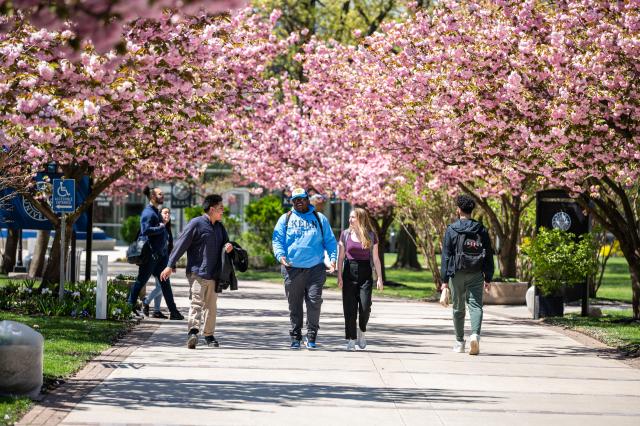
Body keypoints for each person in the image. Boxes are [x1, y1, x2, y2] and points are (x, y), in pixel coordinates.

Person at [161, 194, 233, 349]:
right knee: (196, 303)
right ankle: (193, 332)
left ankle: (209, 335)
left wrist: (228, 246)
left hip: (214, 274)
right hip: (197, 272)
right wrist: (169, 264)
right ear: (212, 209)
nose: (223, 211)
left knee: (211, 306)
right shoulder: (196, 224)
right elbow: (181, 243)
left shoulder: (220, 227)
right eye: (221, 208)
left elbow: (226, 242)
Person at [272, 187, 337, 350]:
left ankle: (312, 335)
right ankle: (295, 337)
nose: (298, 202)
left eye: (301, 199)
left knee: (314, 302)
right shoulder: (285, 219)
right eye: (295, 200)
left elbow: (329, 241)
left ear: (307, 199)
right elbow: (277, 240)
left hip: (316, 268)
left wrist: (333, 258)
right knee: (294, 305)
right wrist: (280, 256)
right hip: (292, 268)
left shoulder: (319, 218)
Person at [440, 194, 494, 355]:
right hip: (477, 272)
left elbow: (446, 256)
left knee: (458, 308)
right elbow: (489, 254)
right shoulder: (481, 229)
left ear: (458, 210)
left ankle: (459, 342)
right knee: (476, 306)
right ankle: (475, 335)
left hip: (456, 273)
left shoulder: (452, 229)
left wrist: (444, 280)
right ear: (472, 210)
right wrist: (488, 277)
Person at [127, 187, 184, 320]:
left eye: (162, 194)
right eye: (160, 194)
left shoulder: (155, 211)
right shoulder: (148, 213)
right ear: (152, 196)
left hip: (160, 256)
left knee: (165, 283)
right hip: (151, 256)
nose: (162, 196)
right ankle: (128, 307)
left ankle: (174, 312)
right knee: (141, 281)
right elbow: (145, 230)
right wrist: (160, 228)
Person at [337, 208, 384, 350]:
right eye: (350, 217)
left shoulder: (371, 235)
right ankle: (351, 338)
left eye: (353, 217)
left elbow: (376, 258)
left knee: (365, 306)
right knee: (349, 308)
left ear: (361, 219)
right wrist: (339, 276)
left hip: (365, 273)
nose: (350, 220)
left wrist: (379, 278)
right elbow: (340, 258)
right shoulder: (345, 235)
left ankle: (362, 330)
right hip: (349, 272)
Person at [142, 207, 173, 319]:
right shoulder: (158, 226)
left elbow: (168, 248)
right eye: (165, 213)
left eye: (169, 213)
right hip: (155, 261)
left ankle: (156, 311)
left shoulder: (167, 228)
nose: (167, 215)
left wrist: (170, 264)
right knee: (161, 286)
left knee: (159, 285)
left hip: (164, 262)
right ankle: (146, 301)